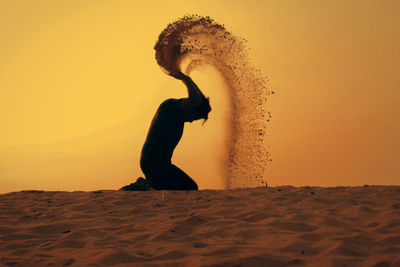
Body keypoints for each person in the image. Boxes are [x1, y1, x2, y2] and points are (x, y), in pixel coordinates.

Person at [121, 71, 211, 191]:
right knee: (190, 187)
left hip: (158, 165)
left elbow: (200, 102)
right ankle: (147, 185)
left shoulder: (174, 113)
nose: (190, 121)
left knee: (187, 186)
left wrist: (188, 79)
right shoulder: (169, 108)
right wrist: (185, 78)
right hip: (154, 164)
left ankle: (148, 183)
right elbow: (196, 101)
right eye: (194, 118)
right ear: (190, 108)